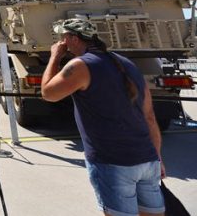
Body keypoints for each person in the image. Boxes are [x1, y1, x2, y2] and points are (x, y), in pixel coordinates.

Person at [41, 18, 165, 216]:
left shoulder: (80, 65)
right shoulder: (126, 64)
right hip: (147, 159)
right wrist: (157, 157)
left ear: (73, 39)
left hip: (113, 162)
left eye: (63, 37)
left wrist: (55, 57)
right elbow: (149, 116)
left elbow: (48, 93)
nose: (61, 41)